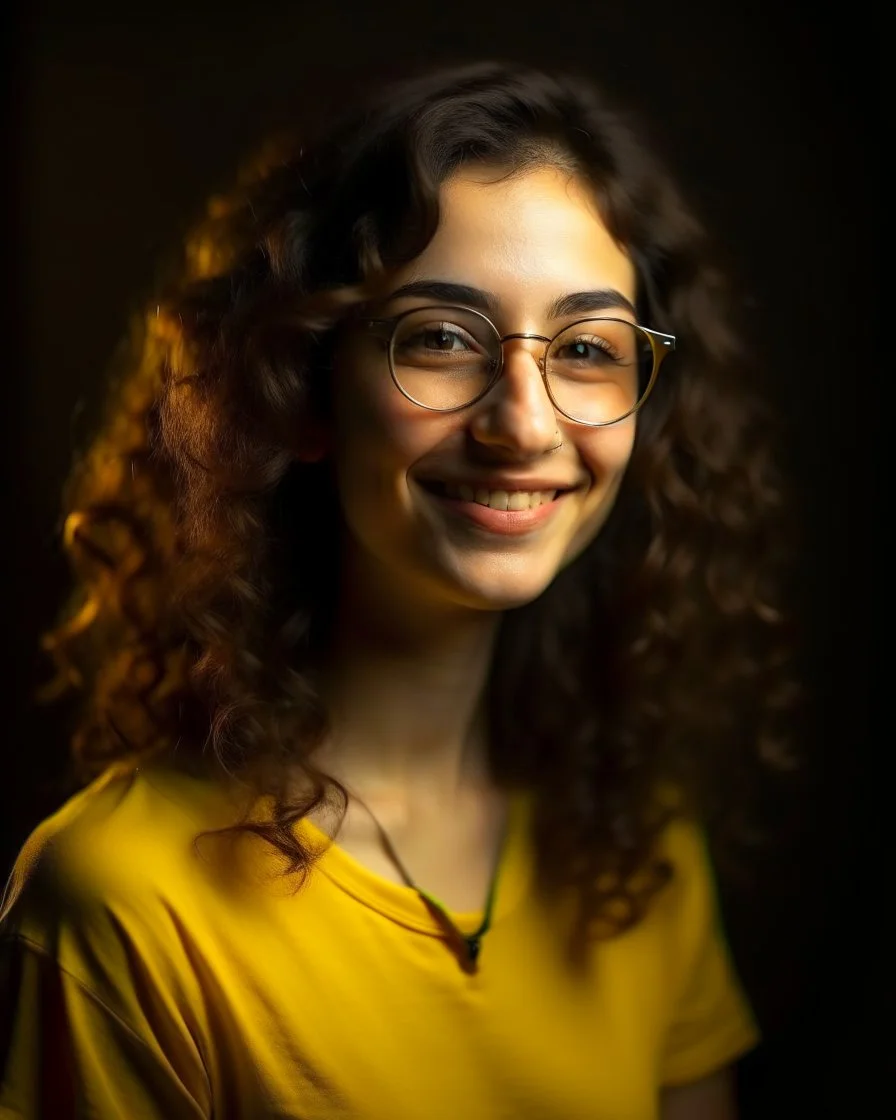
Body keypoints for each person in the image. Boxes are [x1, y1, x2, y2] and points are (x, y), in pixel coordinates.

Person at [0, 59, 801, 1119]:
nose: (522, 424)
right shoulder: (120, 901)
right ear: (304, 389)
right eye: (440, 338)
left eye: (586, 349)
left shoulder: (633, 848)